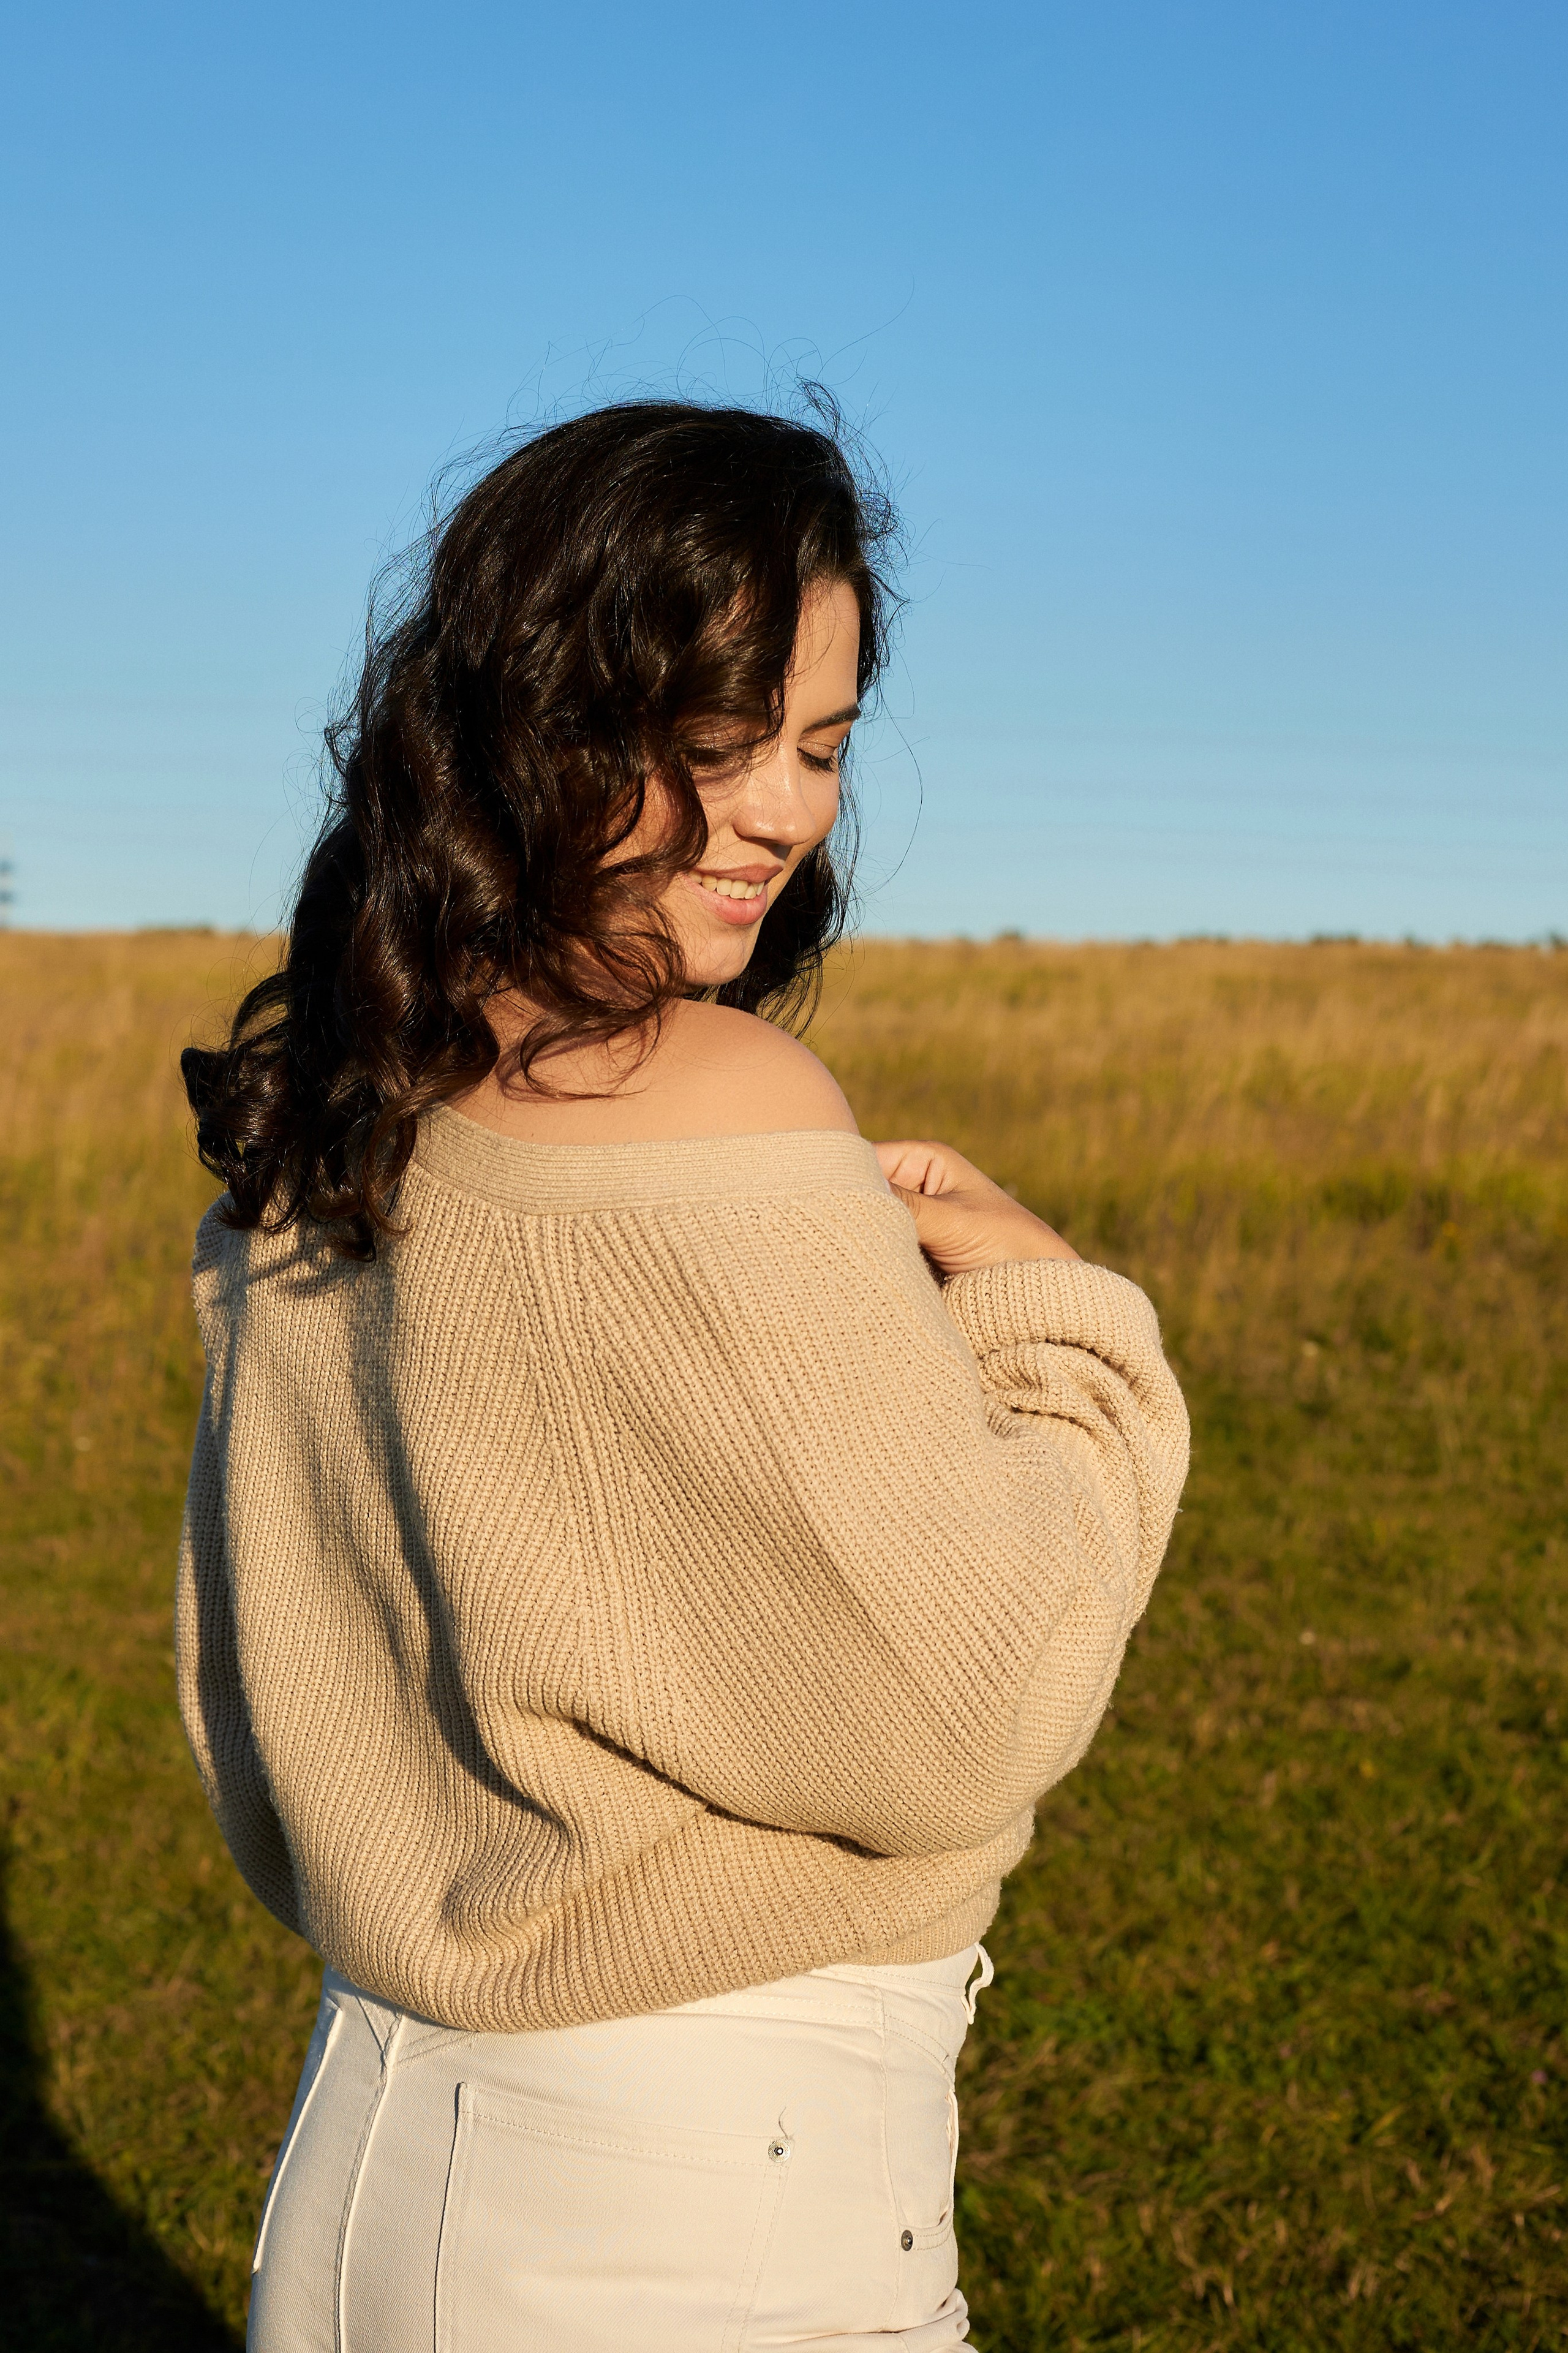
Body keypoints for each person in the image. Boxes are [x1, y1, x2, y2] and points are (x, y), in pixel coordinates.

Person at [178, 398, 1189, 2353]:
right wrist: (1062, 1326)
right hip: (708, 2206)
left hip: (367, 2166)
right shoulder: (719, 1098)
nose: (785, 811)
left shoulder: (316, 1127)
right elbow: (982, 1698)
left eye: (820, 745)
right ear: (542, 720)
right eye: (716, 744)